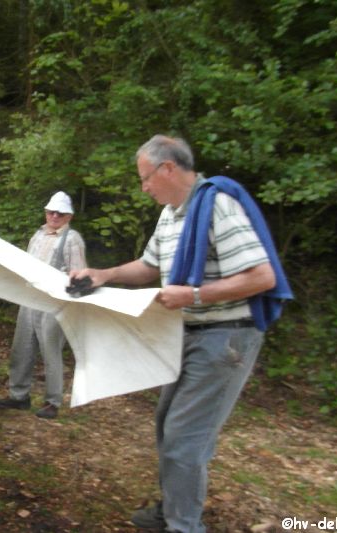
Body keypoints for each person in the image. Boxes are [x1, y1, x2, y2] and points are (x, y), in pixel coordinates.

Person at [71, 135, 291, 532]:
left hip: (225, 337)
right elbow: (148, 266)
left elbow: (262, 277)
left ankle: (183, 525)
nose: (144, 187)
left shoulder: (217, 205)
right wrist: (104, 274)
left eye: (145, 178)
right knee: (168, 425)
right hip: (186, 334)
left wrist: (193, 294)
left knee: (184, 437)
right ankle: (175, 508)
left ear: (168, 168)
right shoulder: (172, 213)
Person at [0, 191, 87, 419]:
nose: (54, 215)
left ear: (68, 216)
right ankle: (18, 396)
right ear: (46, 212)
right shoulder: (38, 235)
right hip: (30, 298)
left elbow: (79, 275)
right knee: (22, 347)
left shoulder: (72, 239)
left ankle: (52, 402)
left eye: (60, 213)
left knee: (50, 352)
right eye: (51, 211)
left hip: (55, 302)